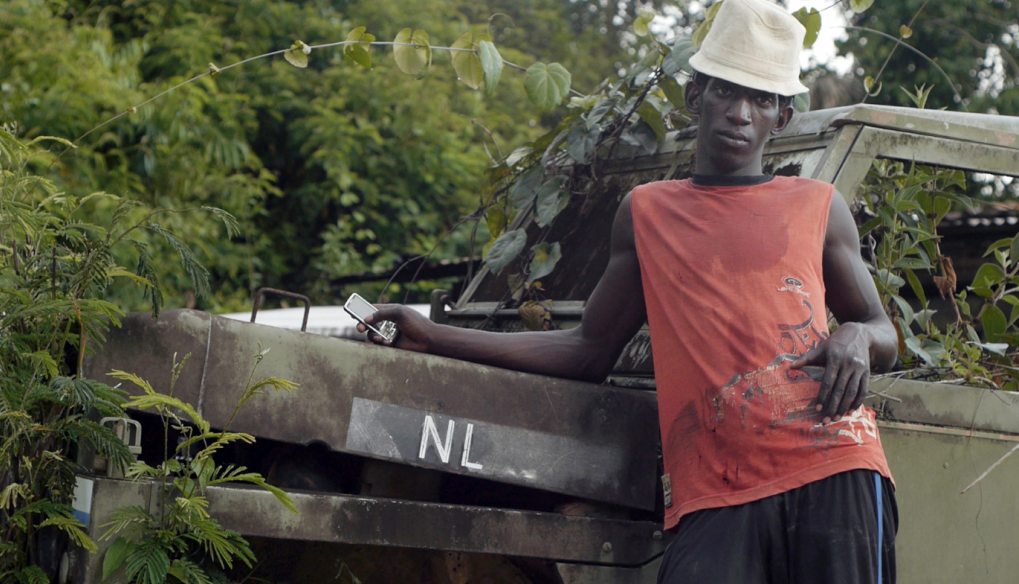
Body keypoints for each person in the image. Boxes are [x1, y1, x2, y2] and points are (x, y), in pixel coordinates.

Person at [360, 0, 898, 581]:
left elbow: (881, 330)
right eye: (726, 91)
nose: (741, 113)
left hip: (834, 468)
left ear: (782, 117)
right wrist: (432, 335)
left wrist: (856, 336)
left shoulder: (816, 206)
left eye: (762, 99)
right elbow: (587, 349)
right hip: (714, 492)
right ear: (696, 96)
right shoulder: (647, 212)